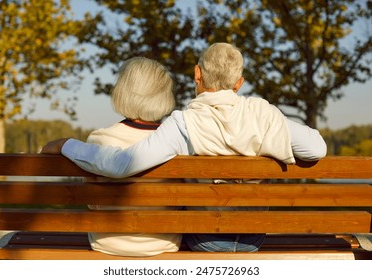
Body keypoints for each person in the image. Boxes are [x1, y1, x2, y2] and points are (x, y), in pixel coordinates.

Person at [41, 42, 327, 253]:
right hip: (253, 237)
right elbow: (316, 149)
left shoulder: (183, 123)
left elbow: (122, 164)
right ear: (239, 82)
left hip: (205, 239)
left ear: (197, 74)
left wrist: (68, 144)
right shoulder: (264, 114)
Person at [80, 56, 181, 257]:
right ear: (164, 95)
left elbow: (92, 202)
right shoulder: (176, 143)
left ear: (122, 92)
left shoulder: (100, 140)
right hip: (163, 243)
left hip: (107, 242)